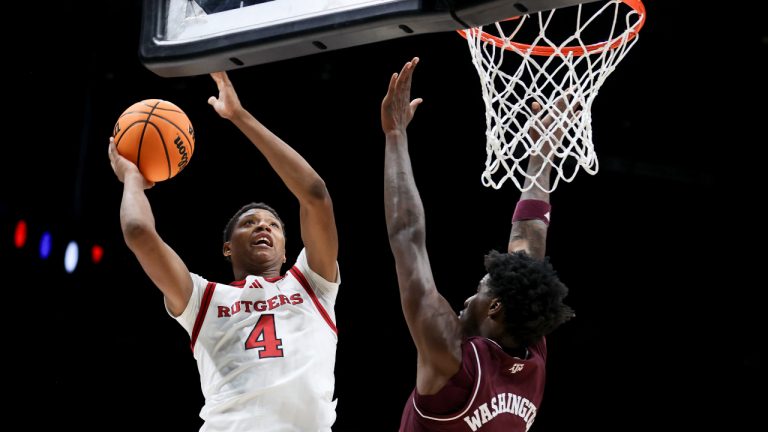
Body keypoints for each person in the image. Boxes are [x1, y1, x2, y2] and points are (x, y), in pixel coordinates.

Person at [108, 71, 340, 431]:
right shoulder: (201, 298)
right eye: (249, 223)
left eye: (273, 225)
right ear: (227, 248)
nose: (263, 226)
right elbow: (138, 232)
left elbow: (314, 194)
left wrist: (239, 115)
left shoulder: (314, 284)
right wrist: (133, 179)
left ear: (285, 250)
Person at [382, 57, 576, 431]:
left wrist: (395, 137)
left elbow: (407, 236)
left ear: (496, 307)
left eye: (480, 290)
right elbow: (528, 238)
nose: (468, 300)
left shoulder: (452, 360)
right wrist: (541, 155)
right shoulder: (530, 351)